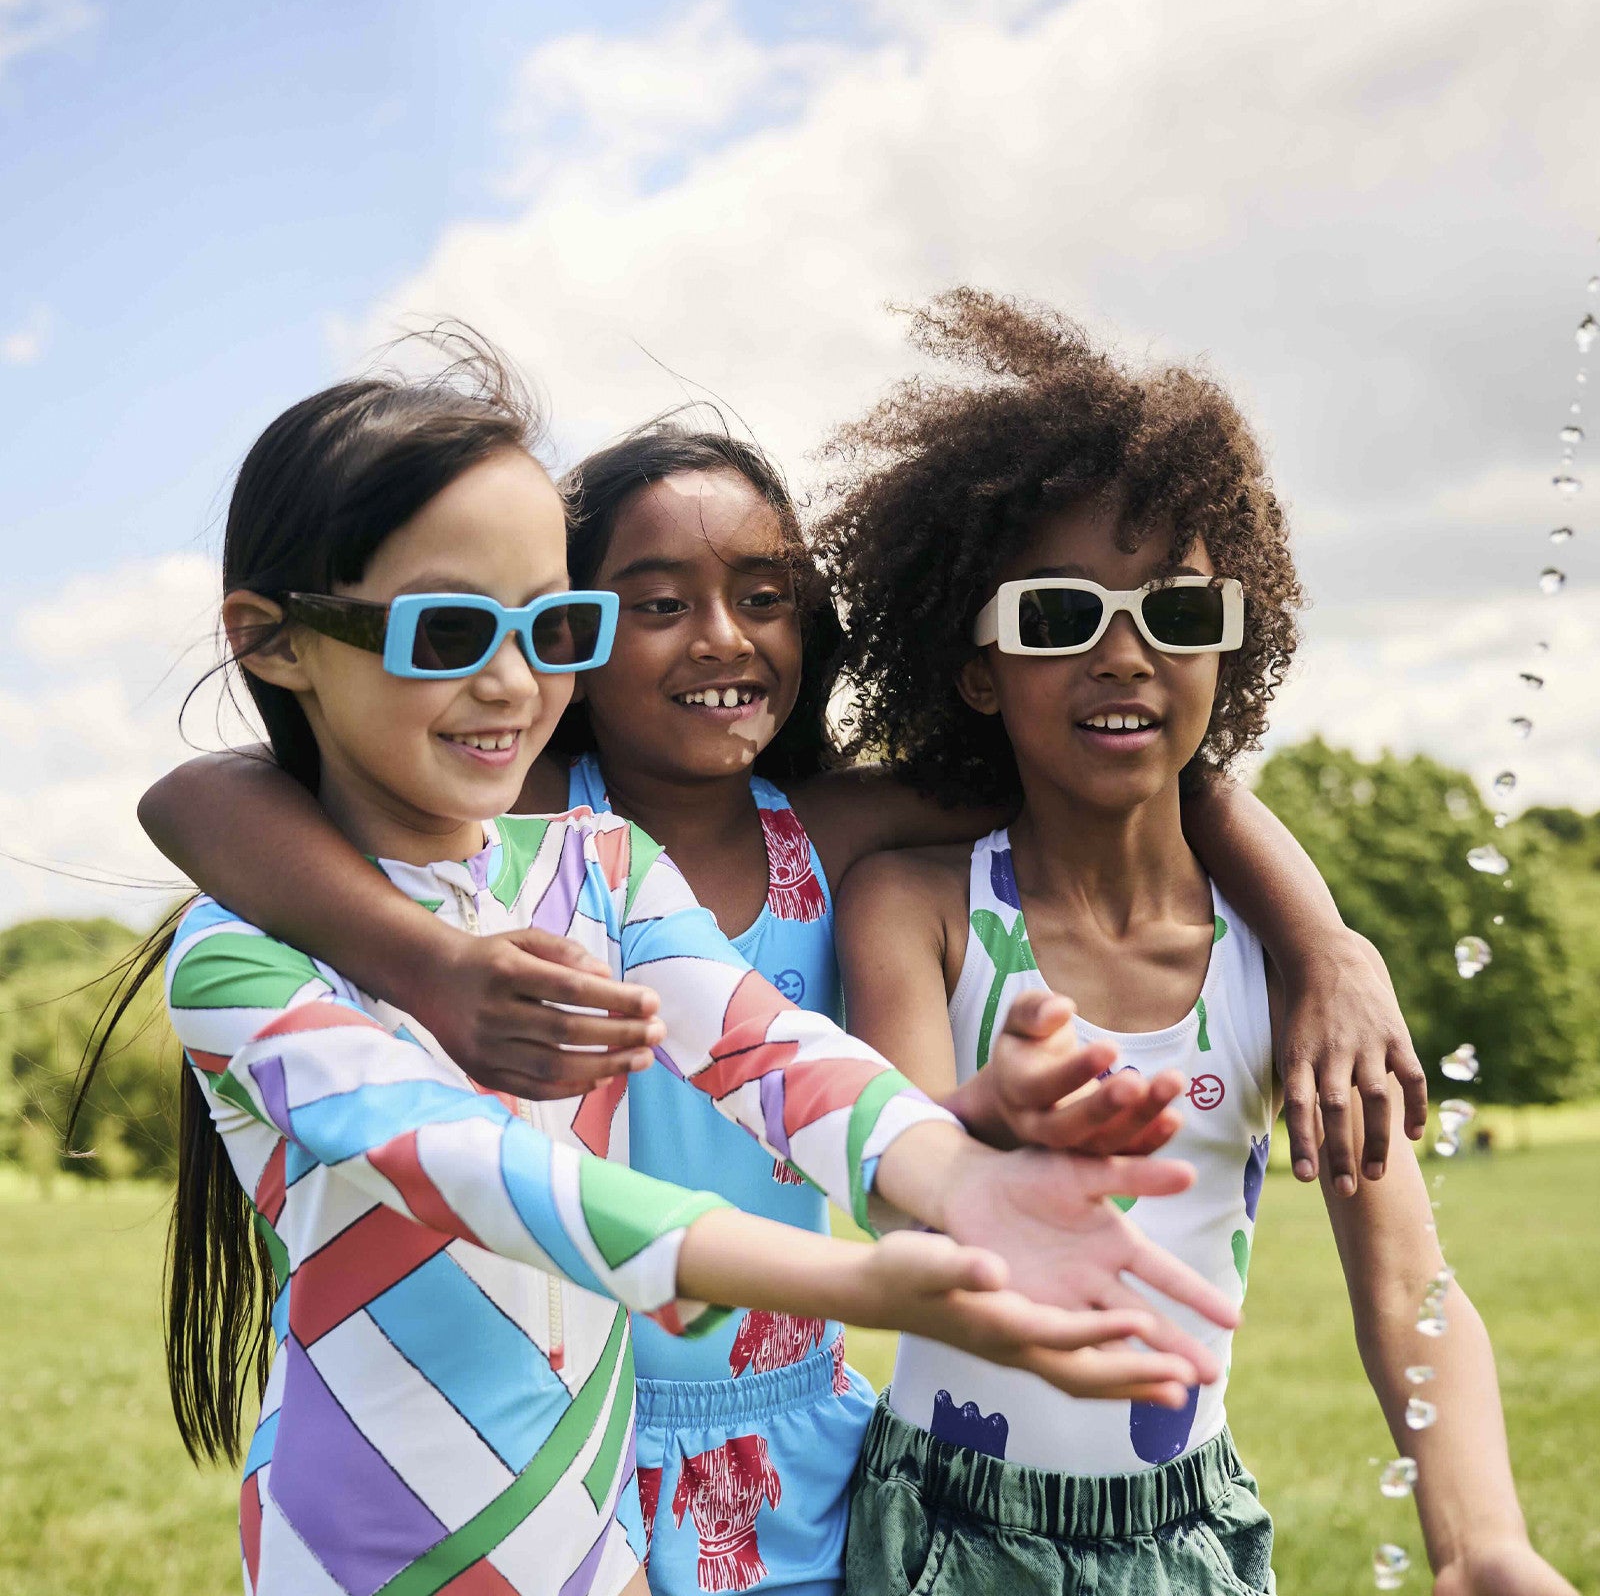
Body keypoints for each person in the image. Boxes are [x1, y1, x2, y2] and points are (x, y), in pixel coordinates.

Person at [141, 413, 1427, 1596]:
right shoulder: (262, 940)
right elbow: (488, 1173)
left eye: (551, 627)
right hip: (392, 1543)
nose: (511, 679)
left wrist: (960, 1165)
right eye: (449, 631)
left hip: (665, 1509)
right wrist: (870, 1280)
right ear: (275, 638)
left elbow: (782, 1049)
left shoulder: (606, 866)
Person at [822, 289, 1577, 1596]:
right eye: (1061, 618)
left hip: (1187, 1537)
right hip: (939, 1525)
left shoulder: (1282, 967)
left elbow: (1411, 1282)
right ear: (977, 661)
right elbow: (897, 1192)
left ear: (1236, 646)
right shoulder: (920, 907)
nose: (1126, 657)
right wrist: (985, 1125)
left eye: (1178, 616)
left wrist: (1483, 1542)